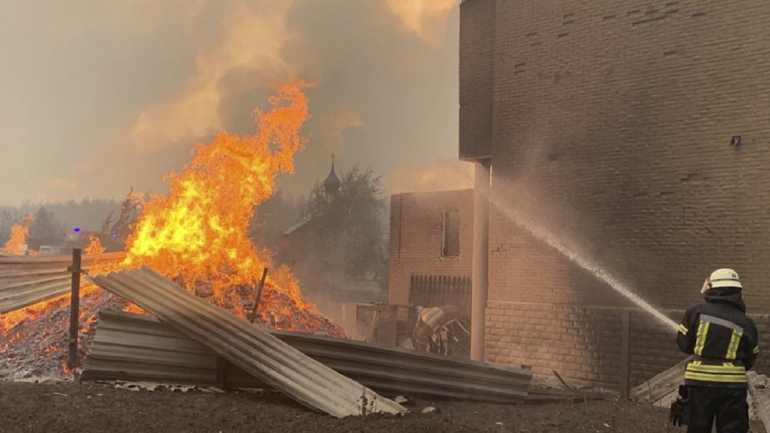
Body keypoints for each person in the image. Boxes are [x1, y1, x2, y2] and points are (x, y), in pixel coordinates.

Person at [672, 268, 759, 432]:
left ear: (712, 288)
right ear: (737, 292)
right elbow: (750, 359)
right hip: (733, 388)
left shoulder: (696, 312)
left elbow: (684, 344)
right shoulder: (747, 323)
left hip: (699, 385)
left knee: (698, 428)